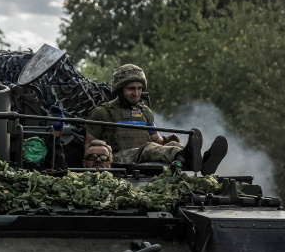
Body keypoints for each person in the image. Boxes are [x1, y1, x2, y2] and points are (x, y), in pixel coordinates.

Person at [84, 64, 227, 175]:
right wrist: (99, 162)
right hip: (116, 158)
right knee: (148, 149)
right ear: (119, 89)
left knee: (172, 145)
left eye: (139, 88)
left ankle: (203, 161)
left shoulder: (144, 111)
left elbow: (155, 141)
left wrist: (166, 141)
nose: (136, 93)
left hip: (142, 155)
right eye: (131, 89)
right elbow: (89, 147)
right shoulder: (102, 113)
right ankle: (186, 156)